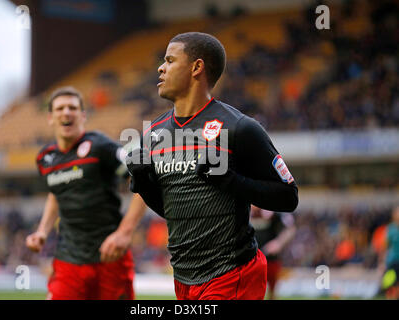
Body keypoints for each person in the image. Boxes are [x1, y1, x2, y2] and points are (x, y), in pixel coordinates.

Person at [126, 32, 298, 300]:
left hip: (231, 273)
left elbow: (289, 197)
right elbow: (172, 210)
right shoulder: (153, 134)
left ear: (197, 67)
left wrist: (232, 181)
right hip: (184, 278)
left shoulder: (240, 127)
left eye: (170, 61)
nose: (161, 67)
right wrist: (145, 185)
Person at [26, 86, 147, 300]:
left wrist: (124, 233)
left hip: (110, 258)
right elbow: (56, 193)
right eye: (60, 108)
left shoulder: (100, 147)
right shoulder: (45, 158)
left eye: (72, 108)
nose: (66, 112)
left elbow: (144, 181)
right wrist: (42, 231)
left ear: (83, 115)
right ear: (50, 117)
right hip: (68, 260)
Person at [250, 205, 296, 300]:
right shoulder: (244, 210)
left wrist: (278, 243)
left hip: (270, 260)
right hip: (250, 260)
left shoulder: (273, 212)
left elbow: (290, 229)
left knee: (272, 292)